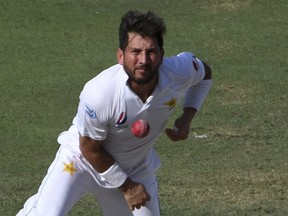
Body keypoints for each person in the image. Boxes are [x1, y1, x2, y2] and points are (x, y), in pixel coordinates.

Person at [17, 10, 212, 216]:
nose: (143, 60)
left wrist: (188, 115)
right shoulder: (100, 93)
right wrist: (128, 187)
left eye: (151, 51)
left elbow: (204, 73)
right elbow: (89, 148)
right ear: (121, 56)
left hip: (134, 167)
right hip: (80, 161)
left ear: (162, 54)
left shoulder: (178, 71)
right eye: (135, 51)